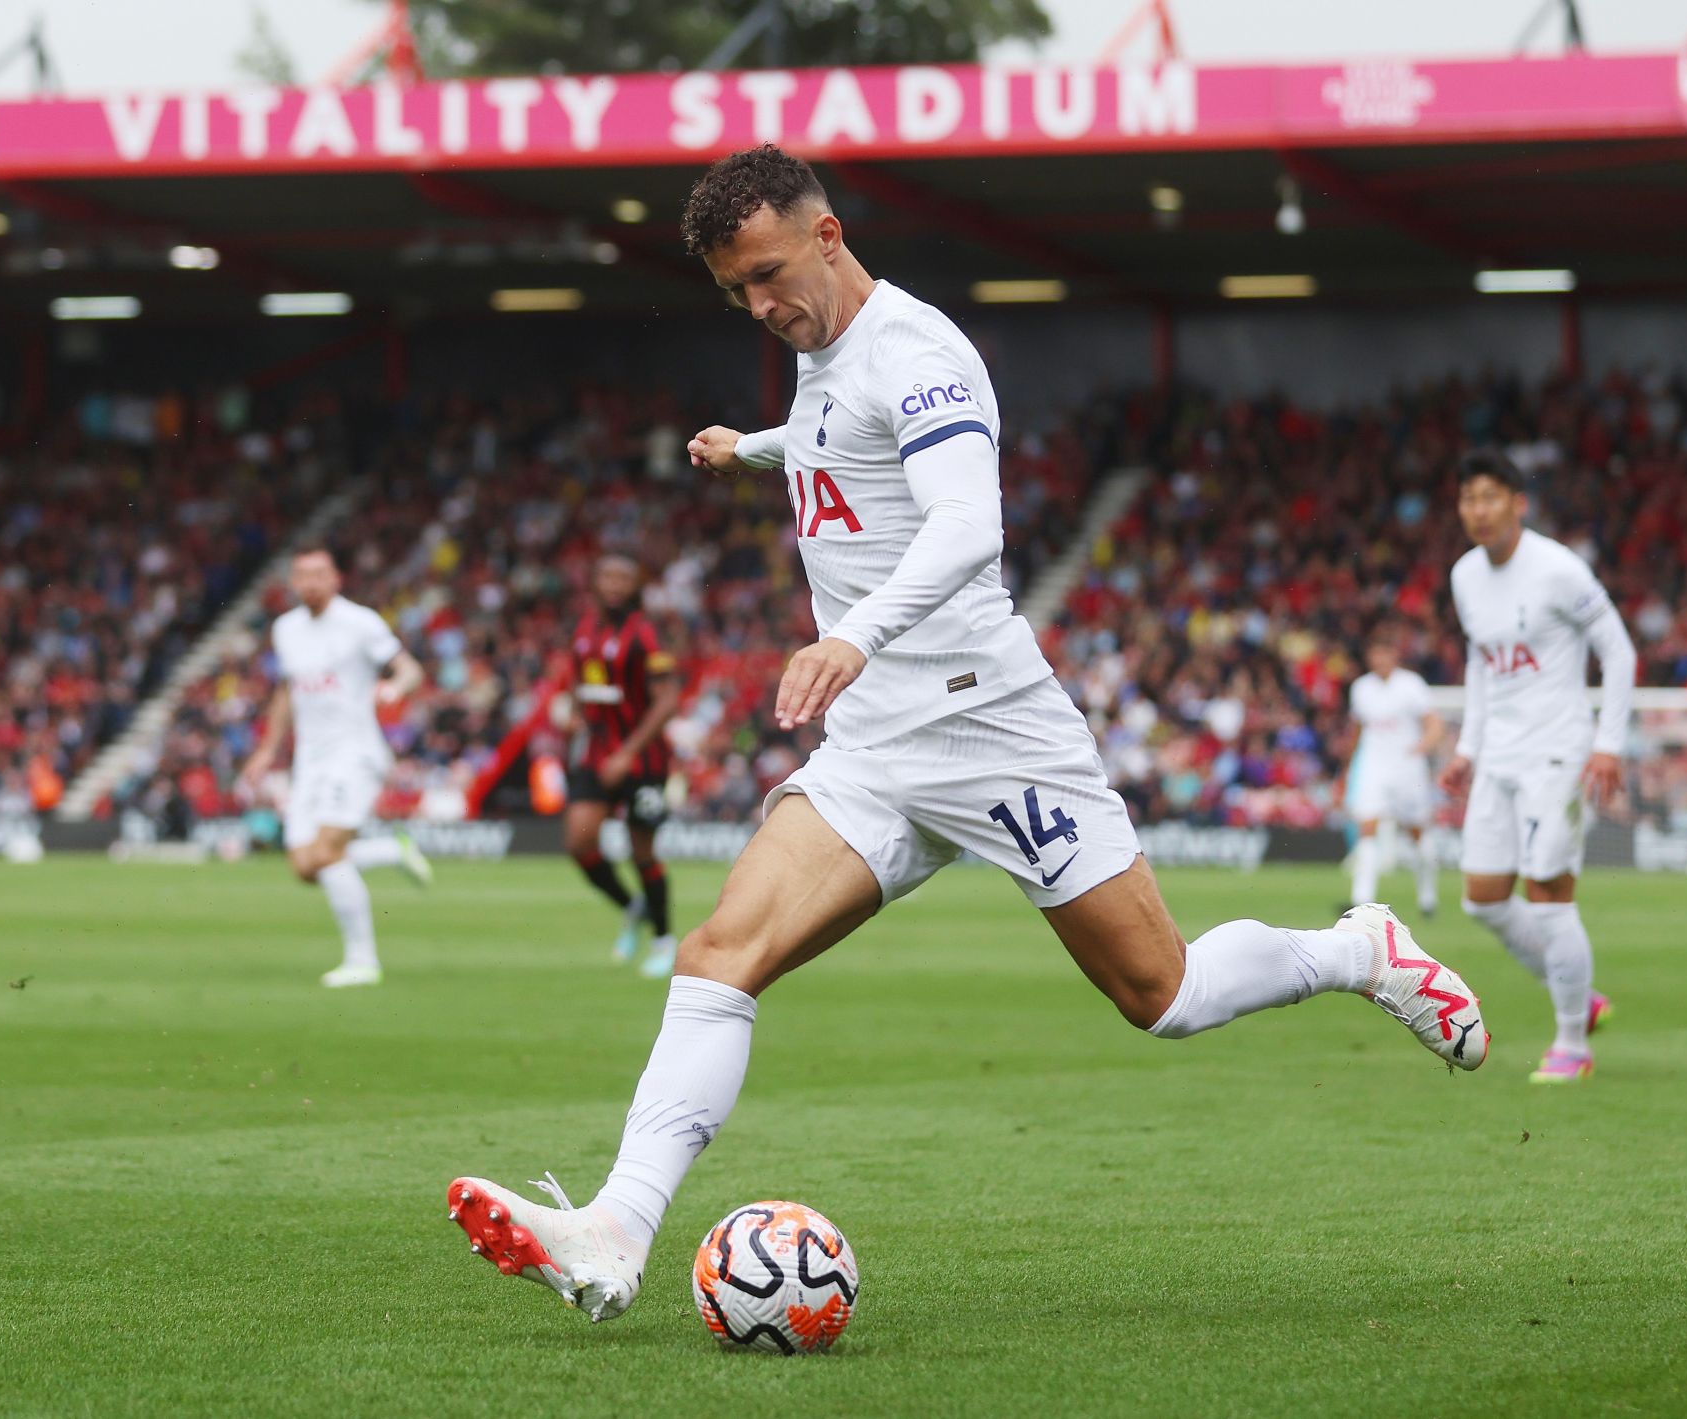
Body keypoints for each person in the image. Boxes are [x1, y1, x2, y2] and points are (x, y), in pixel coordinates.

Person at [445, 145, 1488, 1322]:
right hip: (877, 753)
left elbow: (964, 521)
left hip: (989, 727)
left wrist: (858, 637)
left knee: (1166, 992)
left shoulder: (922, 352)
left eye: (773, 274)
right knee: (717, 957)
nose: (761, 305)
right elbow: (845, 445)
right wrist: (755, 448)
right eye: (738, 290)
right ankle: (614, 1232)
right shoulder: (818, 353)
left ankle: (1359, 950)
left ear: (828, 234)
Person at [1440, 451, 1633, 1083]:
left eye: (1491, 497)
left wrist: (1608, 742)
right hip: (1499, 755)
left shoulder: (1557, 569)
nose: (1479, 510)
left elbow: (1619, 650)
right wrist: (1468, 749)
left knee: (1548, 895)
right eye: (1469, 498)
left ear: (1518, 503)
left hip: (1559, 750)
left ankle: (1573, 1043)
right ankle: (1581, 991)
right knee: (1483, 899)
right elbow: (1479, 663)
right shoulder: (1465, 575)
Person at [240, 546, 432, 987]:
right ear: (292, 581)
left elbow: (410, 670)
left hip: (355, 753)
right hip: (309, 760)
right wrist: (268, 749)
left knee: (326, 854)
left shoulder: (360, 622)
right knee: (305, 866)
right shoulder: (285, 629)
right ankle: (390, 851)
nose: (310, 583)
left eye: (319, 574)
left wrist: (394, 687)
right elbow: (288, 691)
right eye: (302, 575)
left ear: (336, 579)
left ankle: (363, 960)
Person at [559, 553, 684, 978]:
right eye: (607, 575)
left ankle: (665, 939)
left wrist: (628, 752)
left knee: (641, 851)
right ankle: (634, 909)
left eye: (623, 577)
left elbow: (667, 700)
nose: (614, 584)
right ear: (594, 581)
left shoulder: (647, 635)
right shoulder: (583, 629)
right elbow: (582, 680)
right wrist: (577, 710)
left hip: (642, 761)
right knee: (579, 842)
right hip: (595, 755)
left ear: (636, 585)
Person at [1337, 628, 1443, 916]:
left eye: (1385, 653)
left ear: (1394, 656)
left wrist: (1421, 748)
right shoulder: (1361, 688)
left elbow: (1434, 724)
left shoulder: (1411, 685)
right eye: (1375, 654)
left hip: (1407, 769)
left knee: (1416, 833)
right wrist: (1348, 766)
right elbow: (1357, 730)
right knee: (1367, 827)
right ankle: (1362, 900)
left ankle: (1427, 896)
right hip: (1374, 766)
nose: (1379, 659)